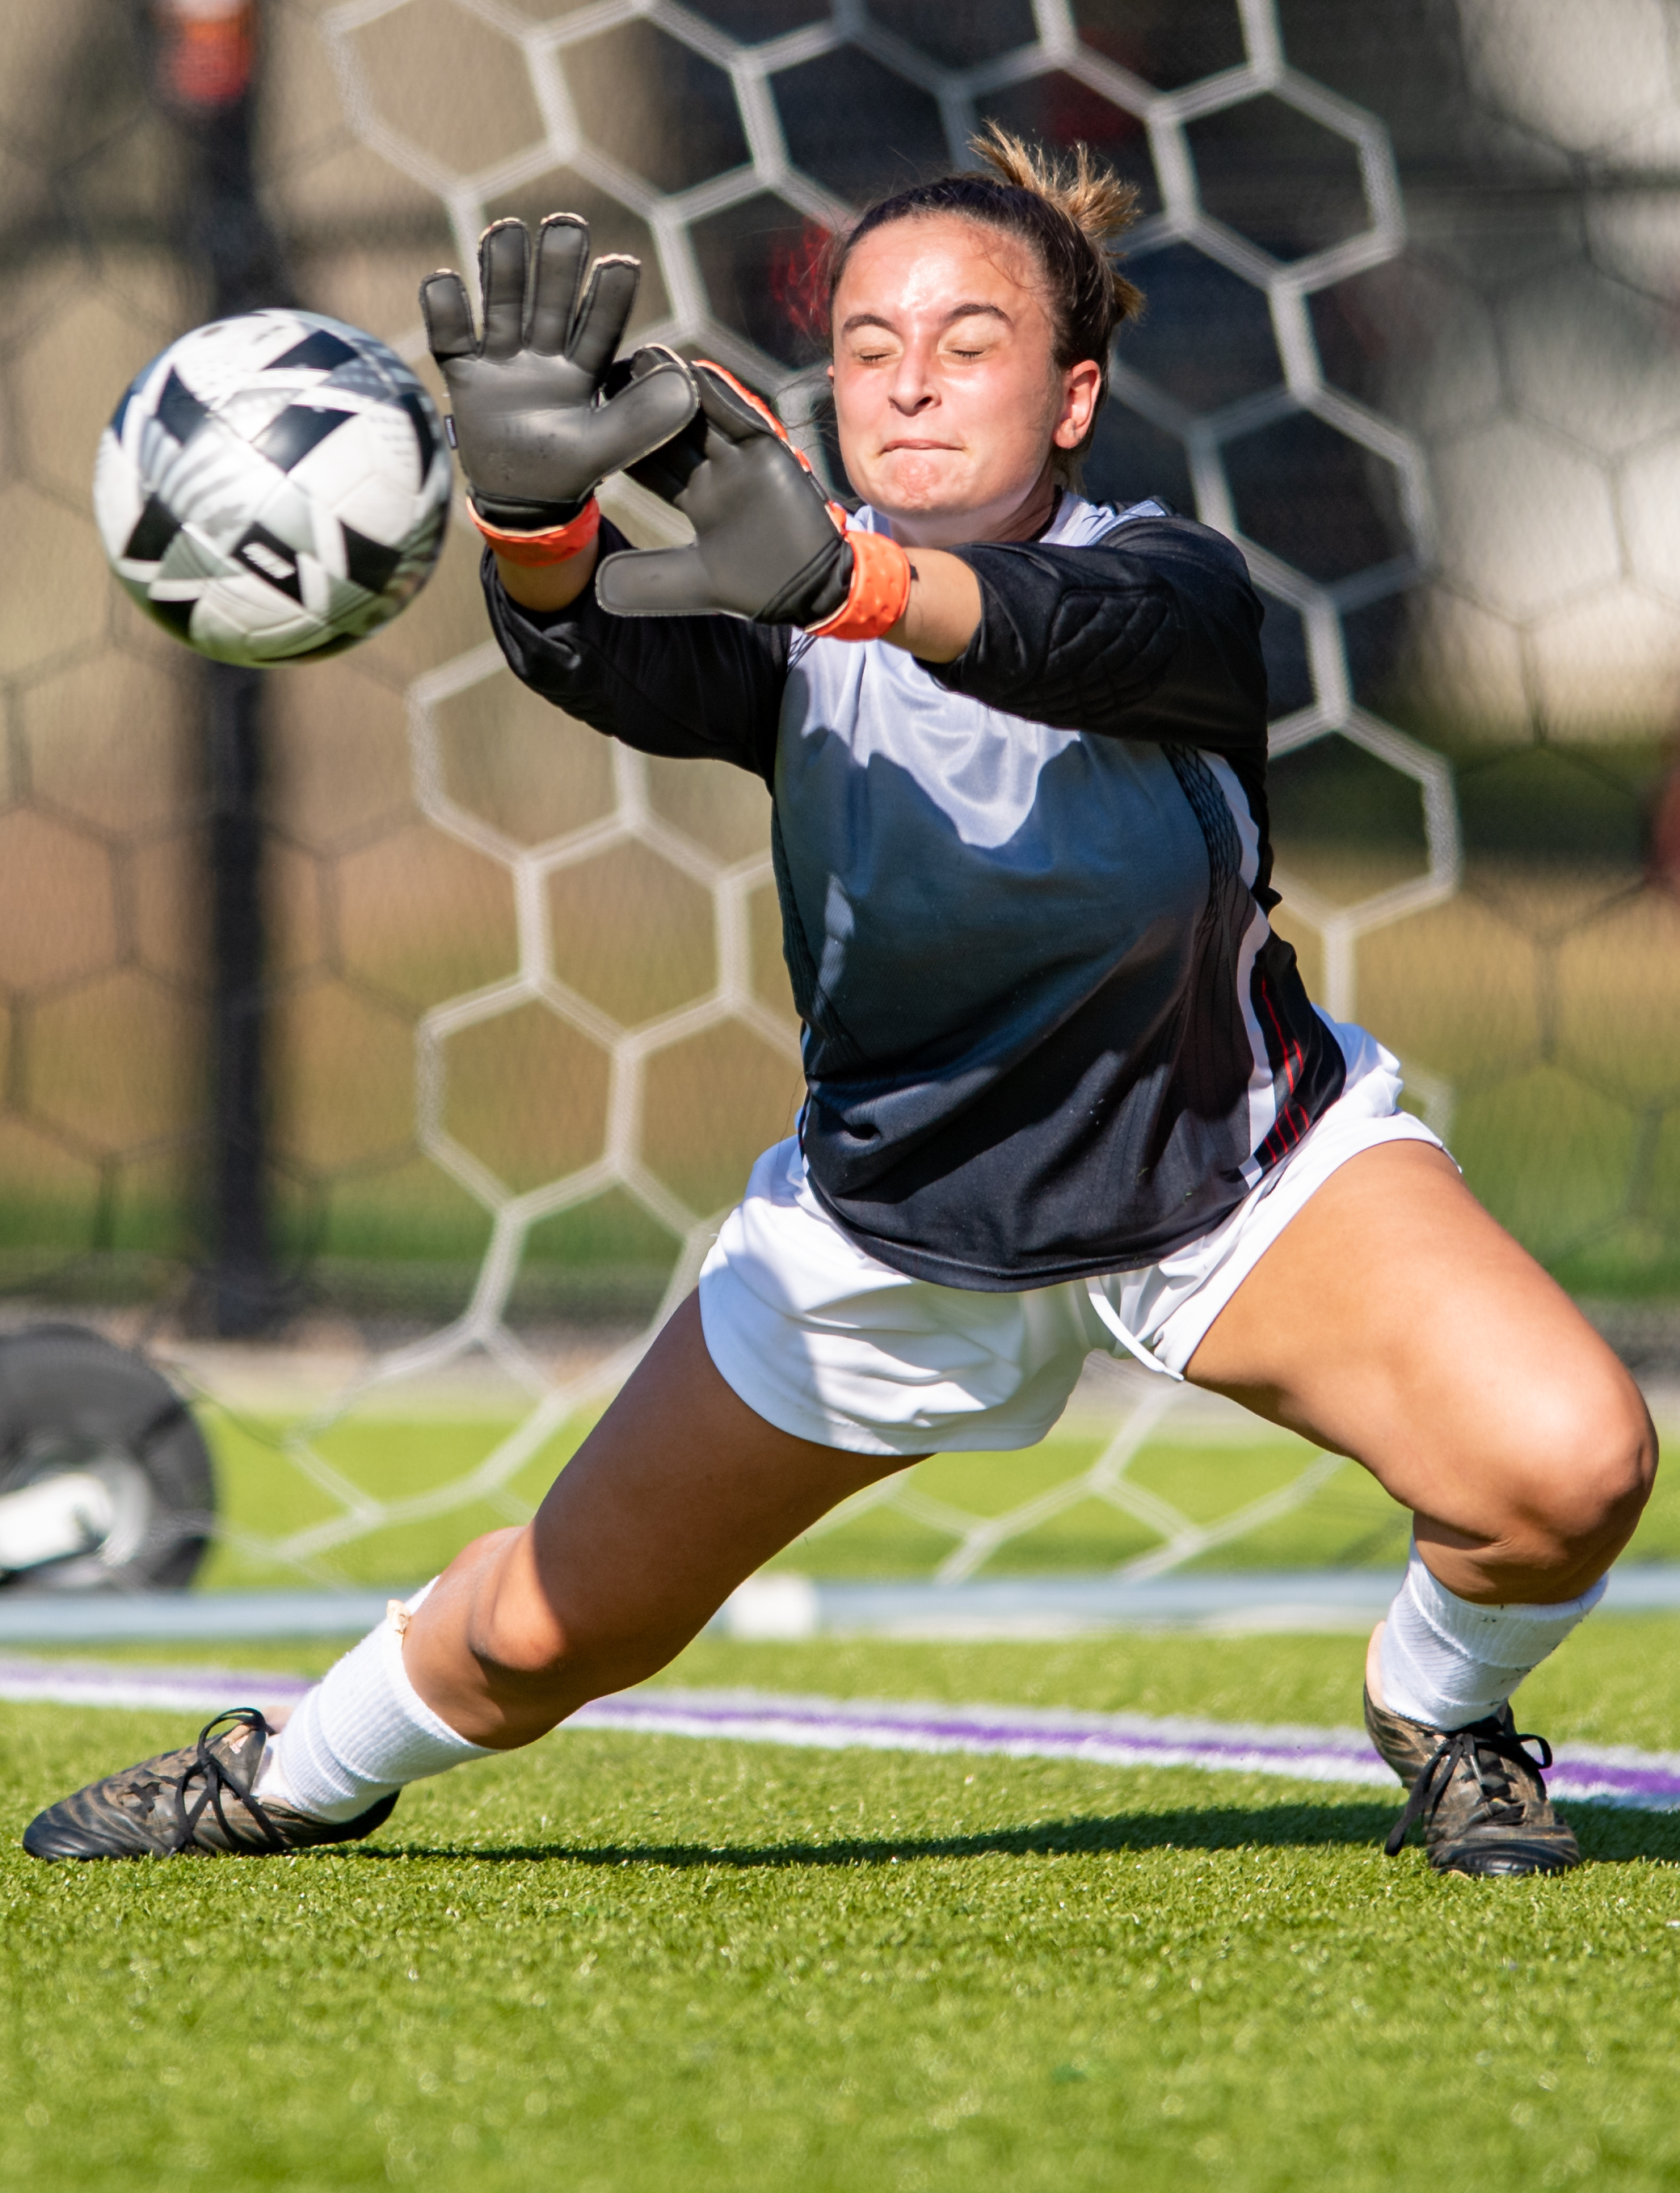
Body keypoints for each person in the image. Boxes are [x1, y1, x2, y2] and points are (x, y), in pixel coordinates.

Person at [26, 132, 1655, 1878]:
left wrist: (844, 582)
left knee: (1564, 1470)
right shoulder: (781, 603)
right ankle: (285, 1775)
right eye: (869, 345)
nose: (910, 380)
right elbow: (603, 651)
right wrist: (530, 523)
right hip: (886, 1230)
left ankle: (1437, 1710)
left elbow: (1043, 629)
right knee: (536, 1639)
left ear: (1072, 394)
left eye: (969, 343)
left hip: (1226, 1179)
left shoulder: (1169, 583)